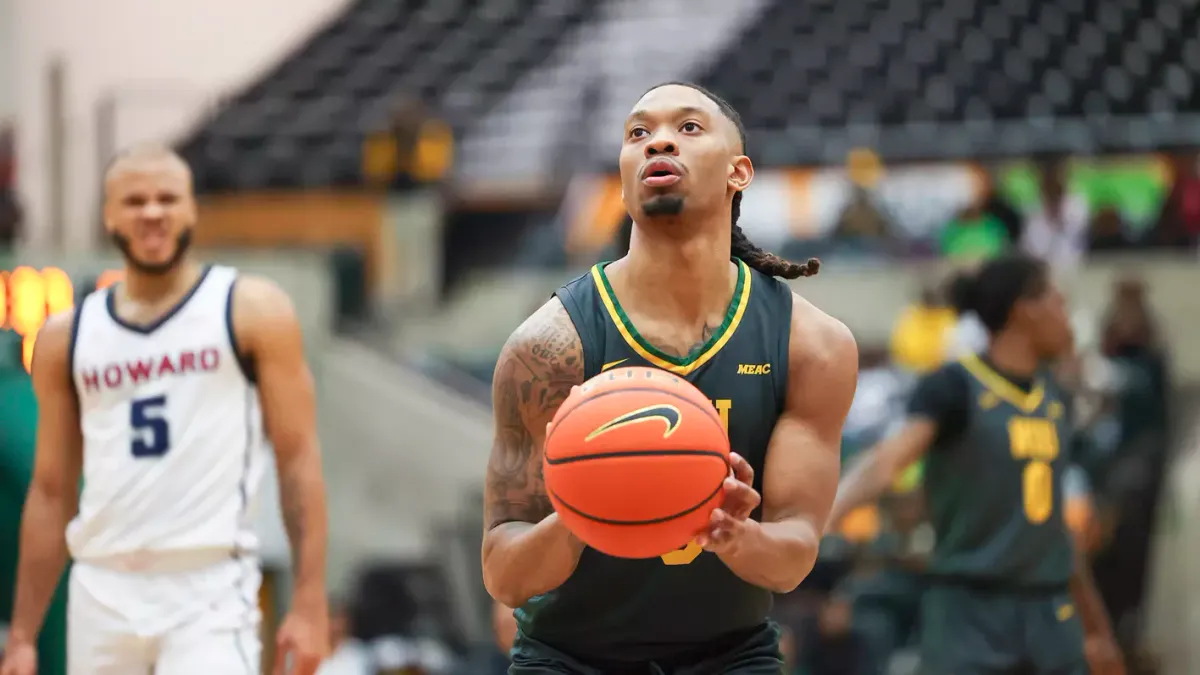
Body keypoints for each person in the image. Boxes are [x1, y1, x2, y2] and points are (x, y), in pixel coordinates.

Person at [481, 82, 858, 673]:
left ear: (739, 173)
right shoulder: (547, 347)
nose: (658, 141)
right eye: (638, 133)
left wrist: (734, 533)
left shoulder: (811, 345)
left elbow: (792, 558)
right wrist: (579, 517)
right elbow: (505, 575)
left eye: (688, 128)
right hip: (570, 658)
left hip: (730, 656)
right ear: (625, 174)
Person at [0, 145, 330, 675]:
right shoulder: (66, 336)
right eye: (134, 200)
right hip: (102, 584)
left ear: (191, 210)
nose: (152, 212)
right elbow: (50, 489)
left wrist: (311, 601)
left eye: (167, 198)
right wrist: (21, 634)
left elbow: (298, 460)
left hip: (209, 585)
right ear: (108, 215)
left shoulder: (251, 309)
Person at [828, 253, 1124, 675]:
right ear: (1025, 309)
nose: (1068, 319)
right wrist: (822, 517)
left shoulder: (1054, 399)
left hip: (1048, 610)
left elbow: (1054, 526)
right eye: (1060, 303)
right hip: (969, 611)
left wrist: (1097, 629)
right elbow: (885, 463)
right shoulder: (954, 387)